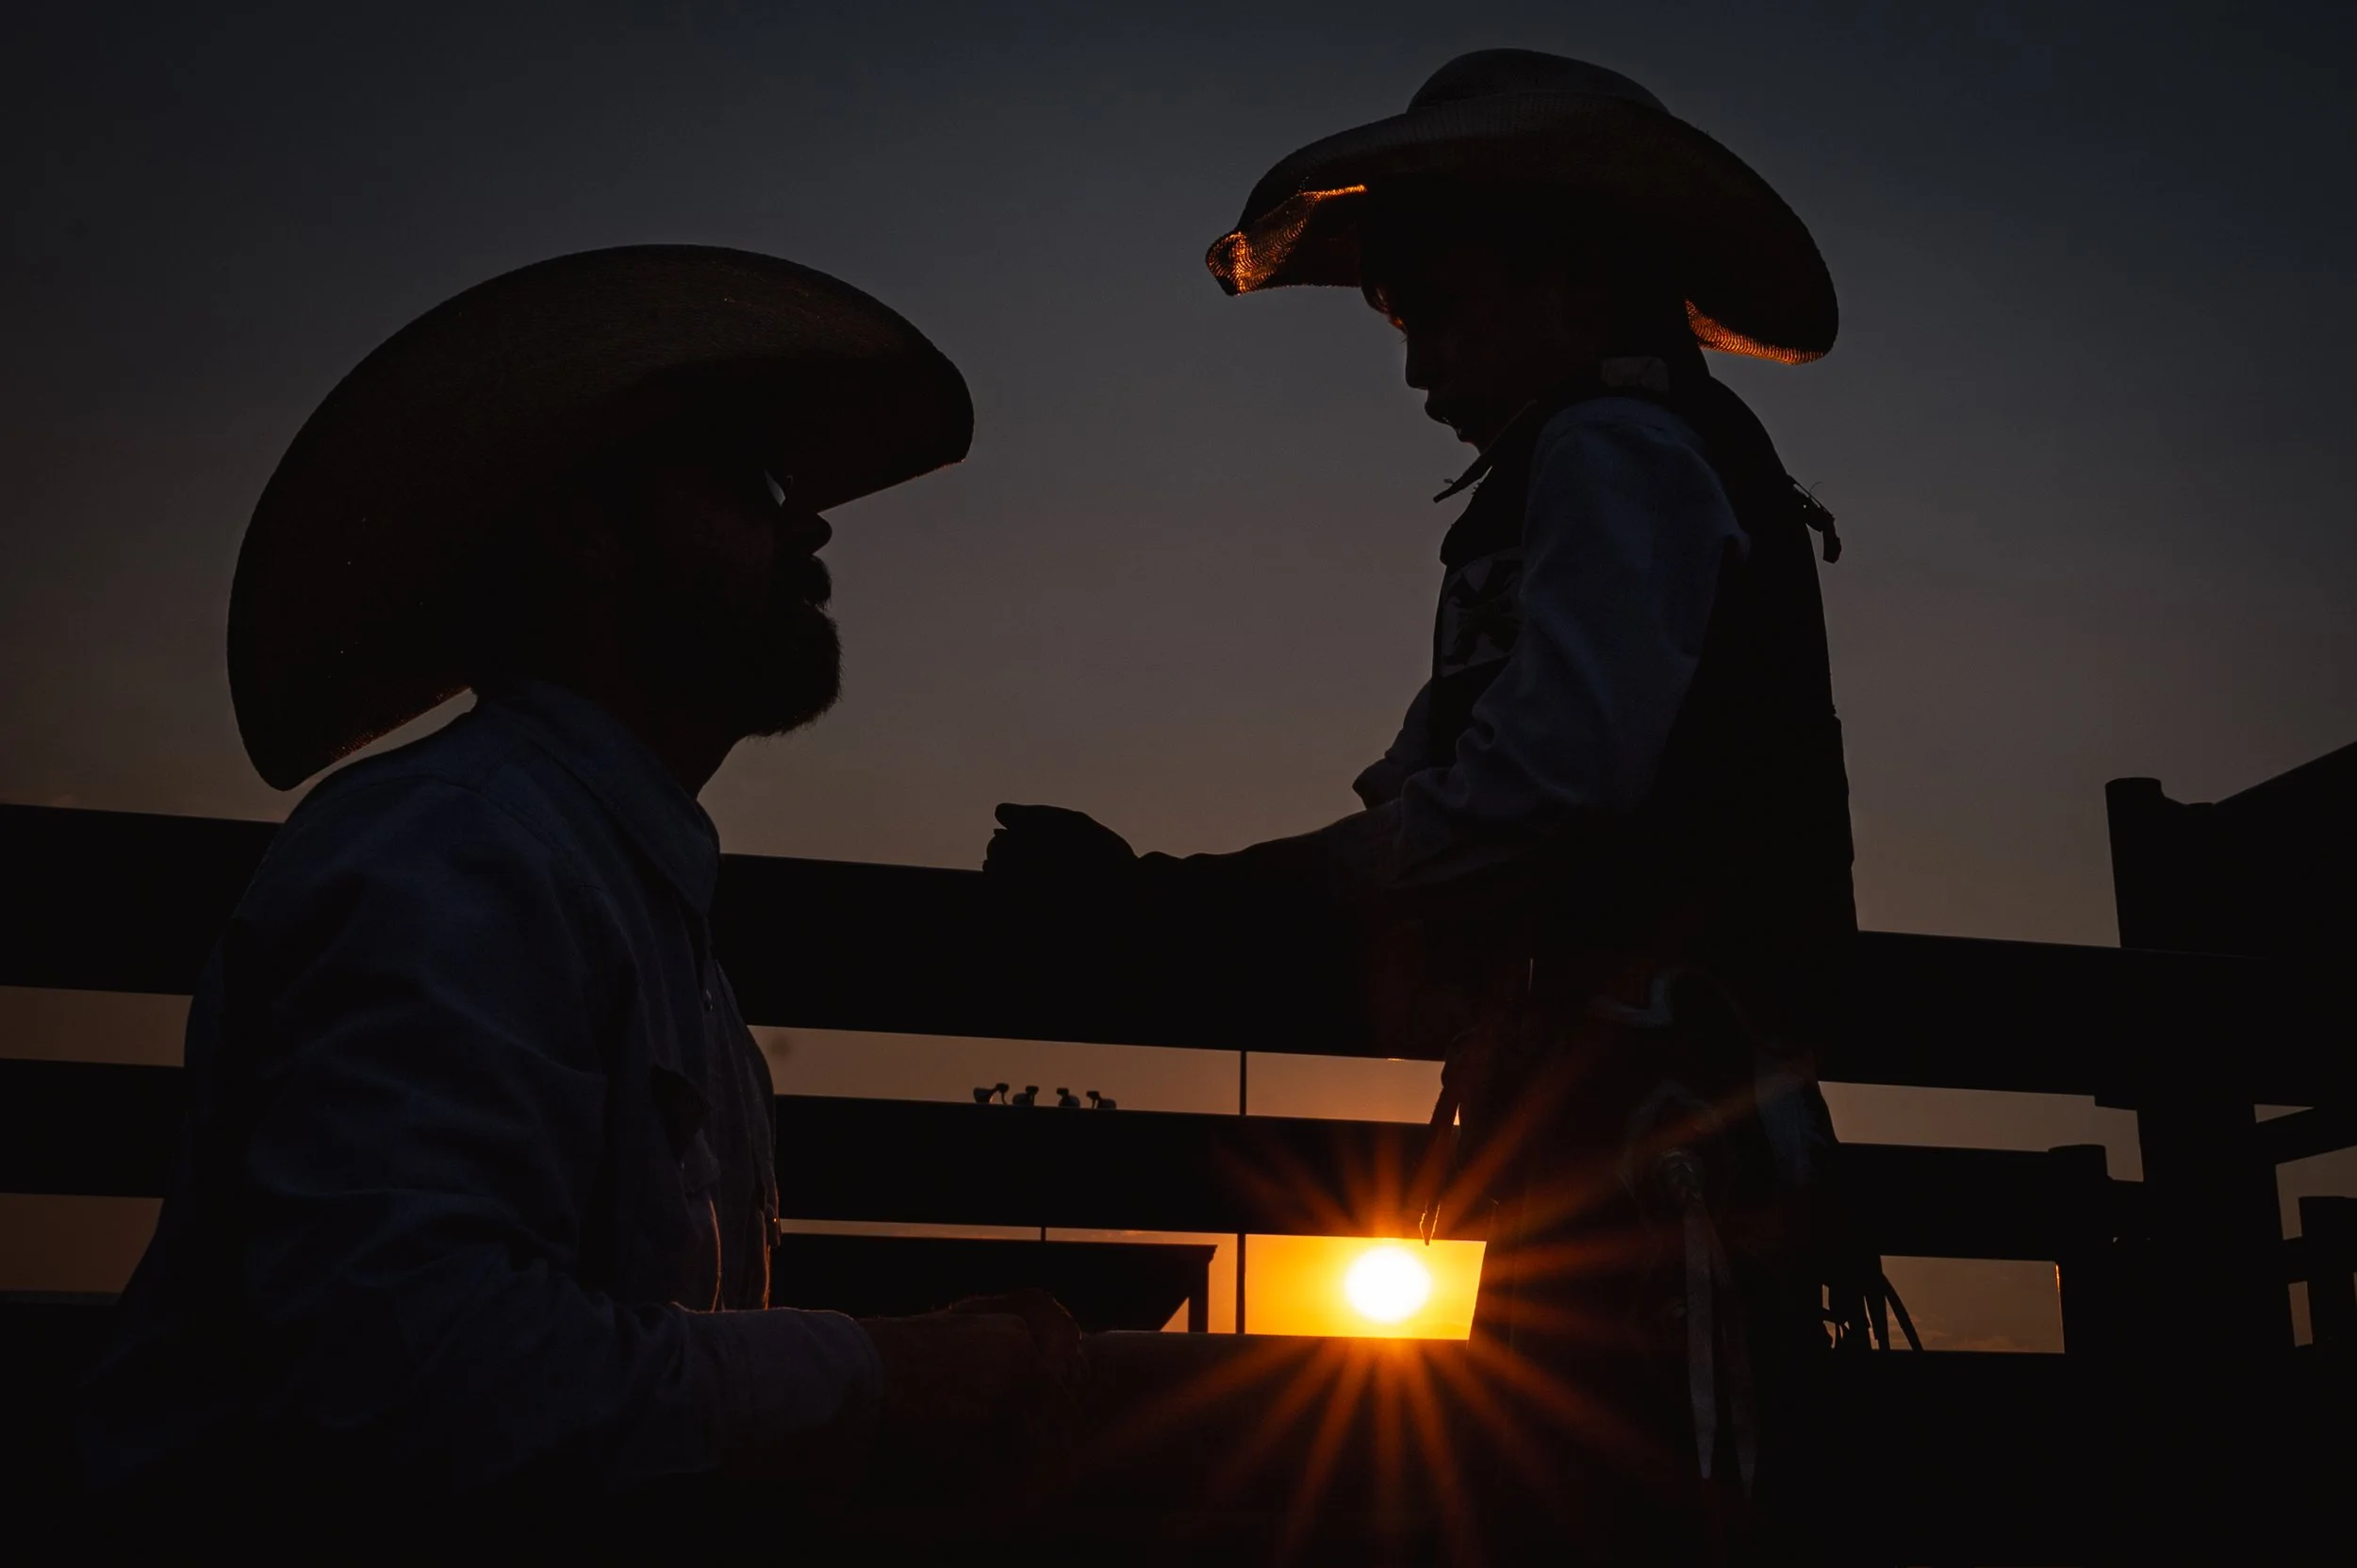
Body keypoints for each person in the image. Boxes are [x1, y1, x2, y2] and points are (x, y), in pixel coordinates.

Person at [989, 51, 1871, 1560]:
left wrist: (1180, 900)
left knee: (1611, 1492)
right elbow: (1458, 783)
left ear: (1581, 286)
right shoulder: (1605, 466)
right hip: (1618, 1111)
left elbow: (1541, 784)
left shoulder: (1612, 458)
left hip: (1640, 1120)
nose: (1416, 369)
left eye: (1441, 312)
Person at [80, 246, 1080, 1541]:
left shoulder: (597, 893)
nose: (811, 525)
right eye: (758, 479)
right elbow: (415, 1381)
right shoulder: (451, 857)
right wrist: (884, 1377)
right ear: (586, 530)